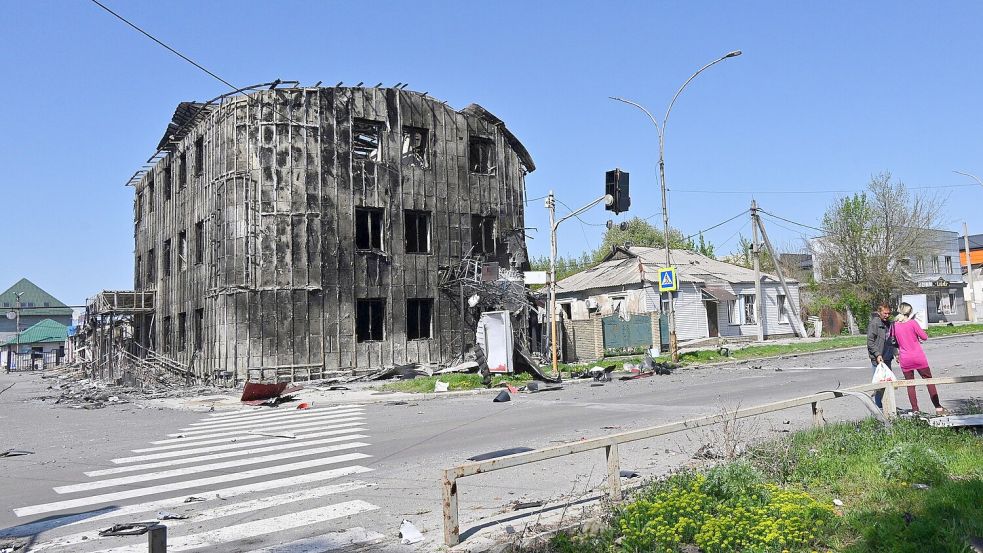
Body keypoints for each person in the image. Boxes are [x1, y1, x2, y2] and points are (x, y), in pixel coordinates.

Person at [892, 302, 946, 415]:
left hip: (905, 358)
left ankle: (915, 409)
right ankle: (938, 407)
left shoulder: (894, 325)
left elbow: (893, 341)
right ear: (910, 312)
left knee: (910, 384)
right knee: (929, 381)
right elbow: (924, 337)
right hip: (918, 357)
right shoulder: (913, 323)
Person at [866, 303, 895, 408]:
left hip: (887, 357)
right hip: (878, 359)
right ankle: (878, 406)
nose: (887, 315)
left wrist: (896, 354)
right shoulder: (874, 324)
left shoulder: (890, 324)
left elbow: (892, 340)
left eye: (888, 313)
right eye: (885, 313)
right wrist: (877, 354)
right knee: (879, 383)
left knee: (888, 382)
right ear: (879, 313)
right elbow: (870, 342)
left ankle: (888, 405)